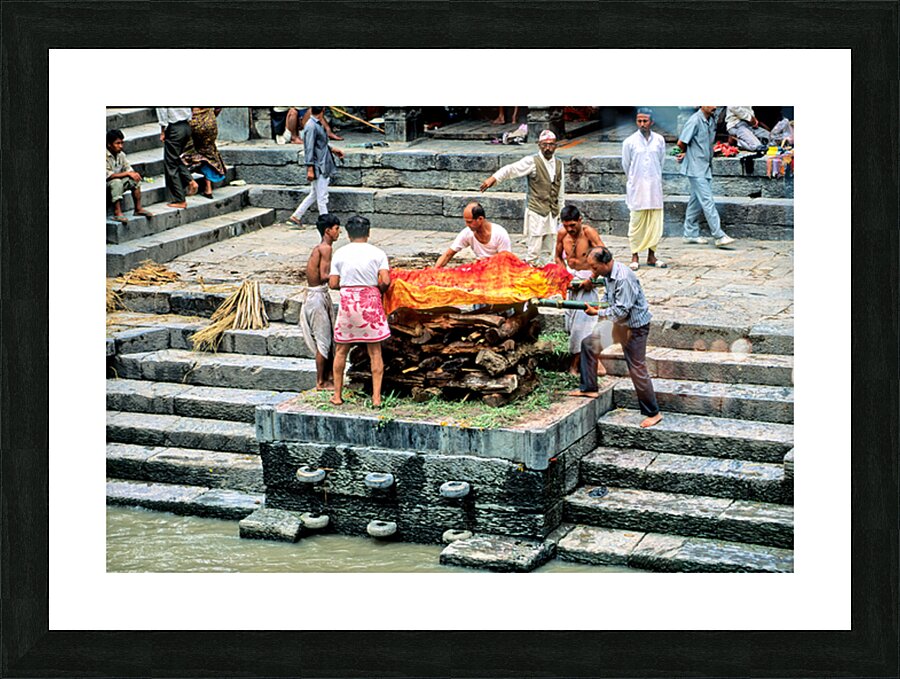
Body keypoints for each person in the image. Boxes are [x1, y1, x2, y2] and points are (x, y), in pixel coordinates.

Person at [569, 247, 662, 429]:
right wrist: (592, 280)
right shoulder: (608, 273)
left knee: (637, 368)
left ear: (605, 263)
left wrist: (597, 312)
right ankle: (589, 388)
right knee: (588, 345)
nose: (593, 271)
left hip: (634, 327)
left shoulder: (623, 277)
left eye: (595, 268)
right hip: (618, 324)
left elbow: (621, 310)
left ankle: (653, 412)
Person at [328, 215, 391, 407]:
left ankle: (337, 396)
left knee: (341, 350)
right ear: (368, 233)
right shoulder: (378, 253)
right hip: (370, 300)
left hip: (348, 303)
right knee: (375, 351)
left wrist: (348, 288)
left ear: (348, 234)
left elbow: (332, 283)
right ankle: (377, 398)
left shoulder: (339, 253)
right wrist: (376, 290)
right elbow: (386, 281)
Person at [479, 129, 565, 266]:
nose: (548, 148)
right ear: (539, 145)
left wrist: (561, 211)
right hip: (537, 211)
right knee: (534, 249)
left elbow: (560, 190)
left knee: (549, 248)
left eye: (551, 144)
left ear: (556, 145)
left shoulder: (559, 164)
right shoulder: (532, 161)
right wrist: (494, 178)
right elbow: (511, 169)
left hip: (552, 212)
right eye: (544, 145)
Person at [554, 205, 606, 376]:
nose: (570, 229)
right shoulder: (562, 234)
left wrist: (592, 277)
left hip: (587, 282)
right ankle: (590, 362)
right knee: (571, 326)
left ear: (580, 221)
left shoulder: (589, 233)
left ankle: (576, 366)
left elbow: (604, 255)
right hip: (571, 282)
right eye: (566, 225)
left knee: (583, 326)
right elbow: (557, 257)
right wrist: (564, 276)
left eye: (573, 225)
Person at [676, 106, 736, 247]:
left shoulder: (711, 120)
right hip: (696, 167)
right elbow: (681, 142)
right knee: (707, 200)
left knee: (695, 201)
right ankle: (719, 235)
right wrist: (685, 153)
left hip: (705, 165)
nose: (715, 106)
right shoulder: (694, 120)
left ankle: (689, 233)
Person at [300, 213, 341, 390]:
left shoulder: (321, 248)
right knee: (323, 342)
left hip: (316, 295)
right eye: (337, 229)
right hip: (317, 297)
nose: (339, 232)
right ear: (328, 231)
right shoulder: (326, 249)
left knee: (327, 340)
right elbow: (324, 276)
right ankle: (320, 382)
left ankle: (326, 378)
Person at [622, 108, 667, 270]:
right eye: (639, 121)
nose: (642, 124)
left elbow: (661, 162)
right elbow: (626, 165)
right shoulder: (629, 142)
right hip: (637, 189)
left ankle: (651, 256)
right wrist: (636, 180)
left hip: (654, 188)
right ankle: (635, 256)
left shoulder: (659, 140)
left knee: (654, 223)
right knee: (636, 223)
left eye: (645, 121)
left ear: (651, 122)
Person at [289, 107, 345, 226]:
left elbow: (321, 144)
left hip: (322, 163)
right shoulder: (311, 126)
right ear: (323, 111)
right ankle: (325, 223)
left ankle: (296, 216)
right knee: (322, 197)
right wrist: (310, 168)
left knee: (314, 193)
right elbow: (309, 148)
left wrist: (333, 149)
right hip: (319, 166)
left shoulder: (316, 124)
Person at [434, 202, 512, 268]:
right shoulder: (467, 233)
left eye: (469, 222)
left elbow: (505, 261)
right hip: (480, 269)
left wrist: (487, 264)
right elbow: (448, 255)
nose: (467, 225)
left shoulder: (500, 233)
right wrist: (433, 272)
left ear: (480, 219)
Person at [106, 129, 152, 223]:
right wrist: (127, 173)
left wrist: (133, 174)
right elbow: (108, 176)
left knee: (135, 180)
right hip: (109, 183)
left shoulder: (121, 155)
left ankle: (138, 209)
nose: (120, 146)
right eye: (117, 143)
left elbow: (128, 168)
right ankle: (117, 212)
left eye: (122, 143)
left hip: (117, 183)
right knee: (116, 182)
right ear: (109, 144)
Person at [181, 107, 226, 199]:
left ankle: (190, 182)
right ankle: (208, 188)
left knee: (188, 152)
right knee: (208, 153)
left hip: (193, 120)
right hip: (209, 120)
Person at [155, 107, 196, 209]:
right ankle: (188, 180)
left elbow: (162, 111)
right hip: (186, 126)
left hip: (175, 128)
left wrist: (163, 130)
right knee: (175, 159)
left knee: (171, 164)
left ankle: (180, 198)